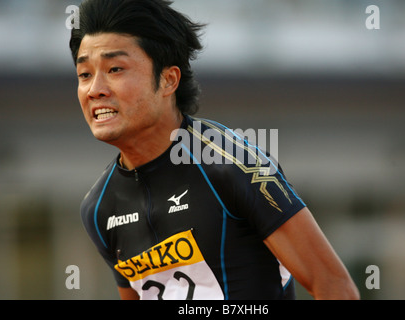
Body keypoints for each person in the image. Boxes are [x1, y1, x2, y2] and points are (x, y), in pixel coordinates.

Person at [70, 0, 360, 300]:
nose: (95, 89)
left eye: (115, 69)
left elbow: (335, 286)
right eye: (84, 75)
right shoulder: (99, 207)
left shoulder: (234, 165)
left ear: (168, 80)